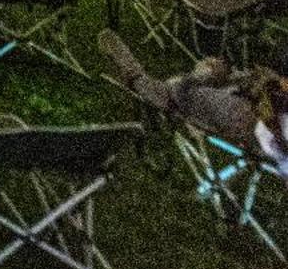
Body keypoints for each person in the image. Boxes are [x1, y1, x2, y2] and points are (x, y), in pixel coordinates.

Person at [99, 26, 288, 168]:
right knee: (215, 83)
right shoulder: (258, 91)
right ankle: (203, 75)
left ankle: (136, 75)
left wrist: (205, 74)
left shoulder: (225, 106)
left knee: (174, 92)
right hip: (252, 108)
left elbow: (182, 93)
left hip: (246, 120)